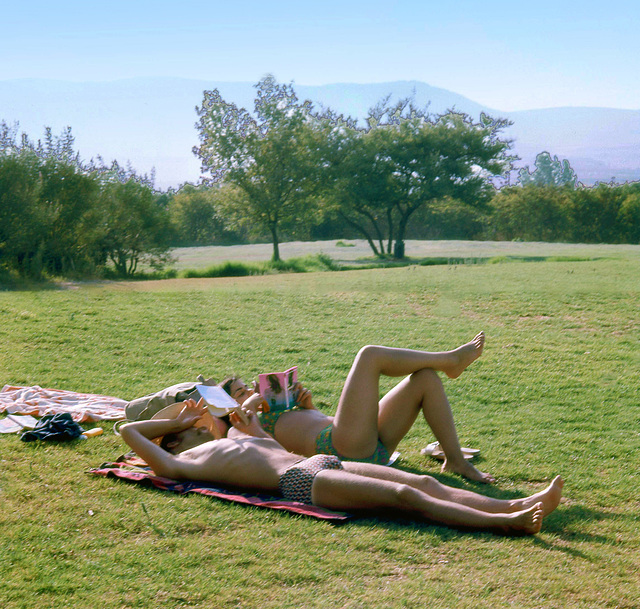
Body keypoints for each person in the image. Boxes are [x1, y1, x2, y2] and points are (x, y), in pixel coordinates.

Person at [120, 399, 564, 535]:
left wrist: (254, 428)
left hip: (315, 462)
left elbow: (269, 449)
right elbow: (127, 430)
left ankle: (517, 503)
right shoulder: (181, 461)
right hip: (299, 480)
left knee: (422, 478)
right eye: (191, 422)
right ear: (176, 438)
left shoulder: (228, 440)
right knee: (405, 497)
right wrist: (173, 423)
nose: (201, 421)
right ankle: (506, 524)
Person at [221, 333, 495, 483]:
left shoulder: (272, 412)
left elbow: (306, 429)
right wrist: (251, 404)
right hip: (341, 449)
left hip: (369, 444)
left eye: (249, 386)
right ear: (229, 405)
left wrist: (308, 407)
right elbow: (272, 455)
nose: (251, 391)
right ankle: (450, 360)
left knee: (425, 379)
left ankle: (455, 460)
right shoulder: (240, 426)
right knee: (369, 355)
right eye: (241, 391)